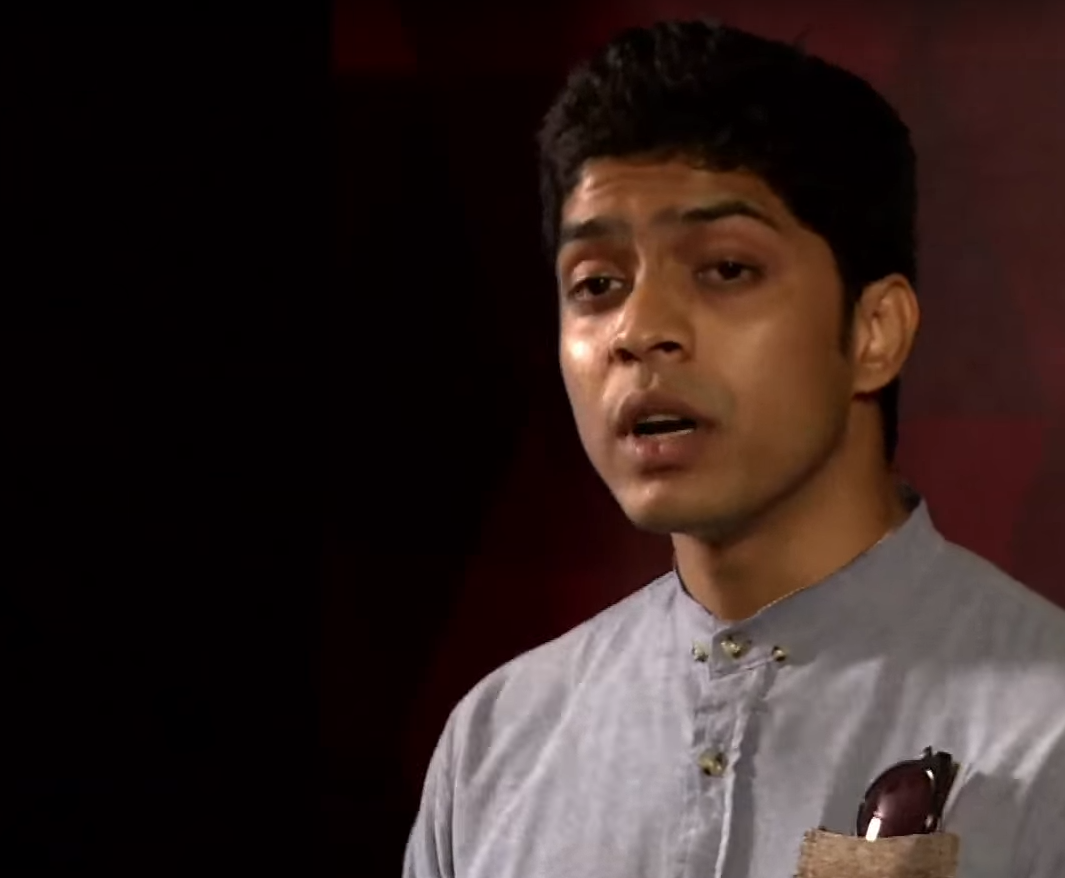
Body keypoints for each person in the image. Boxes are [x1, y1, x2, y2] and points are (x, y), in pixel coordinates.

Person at [403, 19, 1065, 878]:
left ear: (874, 331)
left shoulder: (1044, 724)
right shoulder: (496, 742)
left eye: (723, 269)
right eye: (597, 285)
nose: (638, 332)